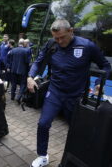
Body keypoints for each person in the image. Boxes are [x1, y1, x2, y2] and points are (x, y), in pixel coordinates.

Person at [27, 19, 111, 167]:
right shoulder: (51, 44)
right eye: (56, 38)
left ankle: (76, 159)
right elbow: (38, 62)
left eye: (62, 37)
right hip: (55, 92)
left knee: (77, 131)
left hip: (76, 95)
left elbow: (105, 65)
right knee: (43, 123)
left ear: (71, 31)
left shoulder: (87, 46)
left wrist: (99, 84)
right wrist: (30, 77)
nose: (59, 41)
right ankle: (42, 155)